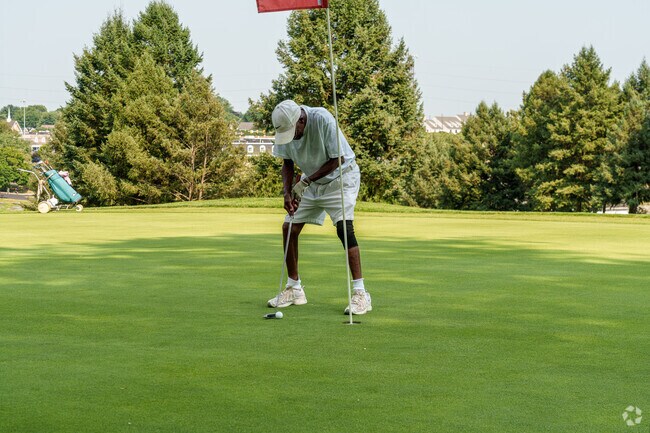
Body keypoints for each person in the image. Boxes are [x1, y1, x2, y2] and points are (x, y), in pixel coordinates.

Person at [267, 100, 372, 315]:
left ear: (301, 120)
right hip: (312, 182)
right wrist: (287, 192)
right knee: (289, 228)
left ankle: (361, 294)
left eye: (293, 131)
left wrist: (304, 182)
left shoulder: (322, 119)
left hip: (342, 179)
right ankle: (294, 288)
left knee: (344, 229)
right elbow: (287, 163)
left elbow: (337, 159)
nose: (291, 137)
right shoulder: (285, 126)